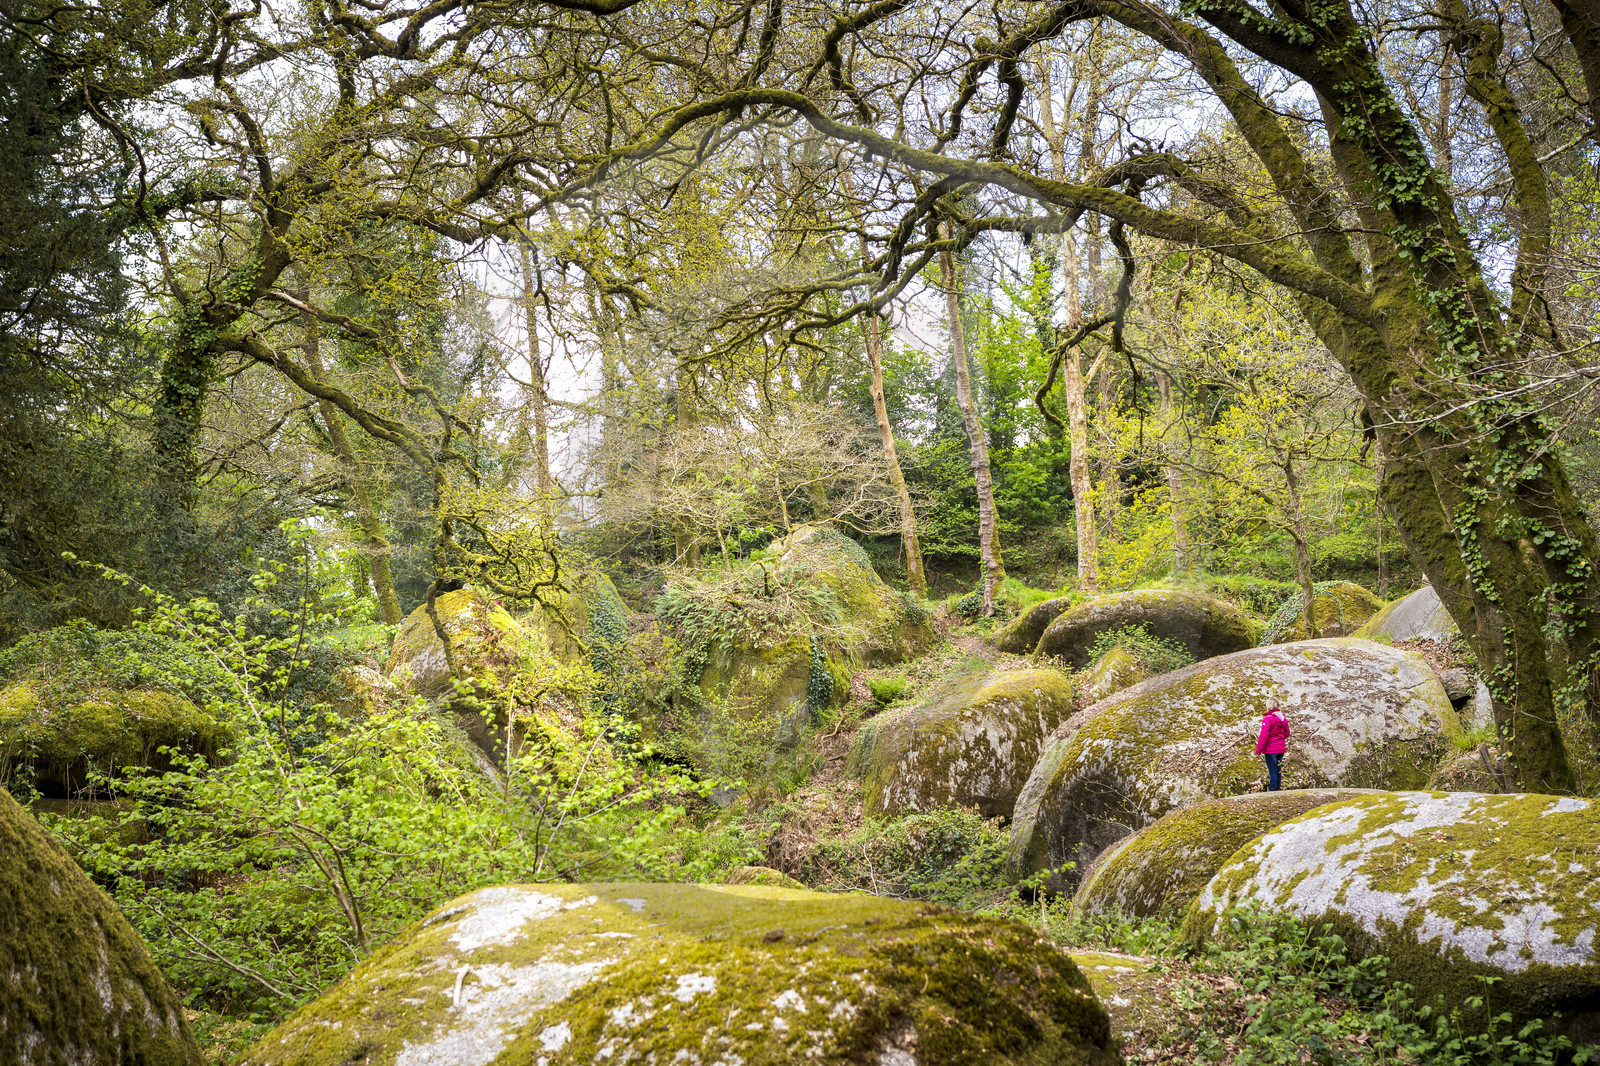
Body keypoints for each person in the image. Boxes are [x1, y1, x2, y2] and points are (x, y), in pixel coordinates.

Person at [1256, 705, 1290, 791]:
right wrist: (1279, 739)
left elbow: (1264, 735)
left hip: (1271, 749)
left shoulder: (1268, 718)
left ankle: (1273, 790)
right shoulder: (1282, 717)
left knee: (1273, 771)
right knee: (1278, 770)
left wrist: (1259, 750)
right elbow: (1287, 733)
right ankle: (1277, 789)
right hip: (1280, 749)